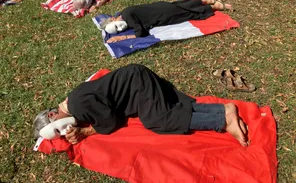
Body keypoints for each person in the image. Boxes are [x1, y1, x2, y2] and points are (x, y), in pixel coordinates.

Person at [33, 64, 248, 147]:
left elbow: (110, 121)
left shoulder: (78, 106)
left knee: (158, 121)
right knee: (167, 111)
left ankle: (223, 120)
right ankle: (224, 110)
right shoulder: (74, 104)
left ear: (53, 114)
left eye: (58, 128)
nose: (65, 132)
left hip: (137, 84)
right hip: (134, 84)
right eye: (61, 136)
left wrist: (86, 132)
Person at [101, 0, 233, 43]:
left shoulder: (128, 18)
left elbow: (140, 33)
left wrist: (123, 37)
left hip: (163, 15)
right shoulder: (125, 12)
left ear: (114, 18)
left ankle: (215, 7)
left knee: (188, 13)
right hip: (161, 7)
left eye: (117, 26)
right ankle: (206, 0)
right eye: (119, 31)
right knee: (183, 4)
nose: (121, 28)